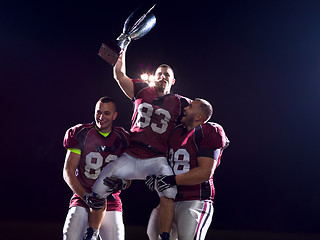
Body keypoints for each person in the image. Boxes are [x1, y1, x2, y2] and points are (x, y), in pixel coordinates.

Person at [86, 49, 190, 240]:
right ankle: (91, 234)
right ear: (155, 77)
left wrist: (212, 128)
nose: (162, 77)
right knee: (98, 190)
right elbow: (119, 75)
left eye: (167, 75)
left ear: (173, 81)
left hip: (157, 159)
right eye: (159, 73)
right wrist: (123, 49)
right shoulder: (142, 90)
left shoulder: (180, 102)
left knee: (169, 191)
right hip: (131, 155)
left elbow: (202, 113)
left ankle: (164, 237)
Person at [145, 98, 229, 240]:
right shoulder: (176, 132)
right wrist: (155, 176)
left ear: (198, 117)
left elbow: (205, 172)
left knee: (188, 237)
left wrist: (172, 180)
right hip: (170, 201)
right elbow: (162, 163)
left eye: (190, 107)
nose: (185, 109)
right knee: (153, 233)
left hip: (195, 200)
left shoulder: (209, 131)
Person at [62, 96, 130, 240]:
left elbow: (129, 176)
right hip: (82, 197)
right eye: (98, 112)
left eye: (106, 113)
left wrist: (123, 183)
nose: (101, 117)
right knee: (70, 236)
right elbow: (68, 171)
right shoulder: (81, 133)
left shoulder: (123, 138)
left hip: (110, 200)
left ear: (114, 115)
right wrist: (85, 196)